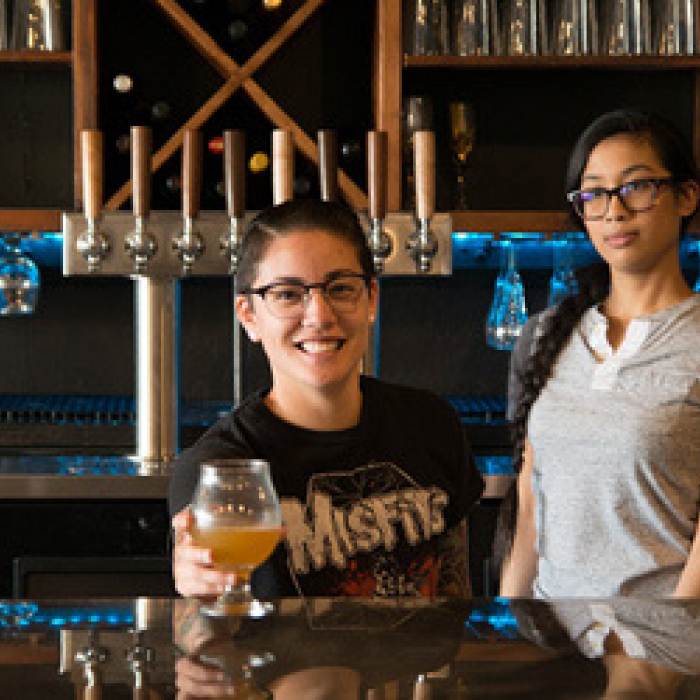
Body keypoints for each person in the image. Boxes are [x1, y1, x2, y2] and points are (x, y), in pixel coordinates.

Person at [170, 198, 483, 600]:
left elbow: (455, 594)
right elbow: (201, 627)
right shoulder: (220, 469)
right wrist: (193, 584)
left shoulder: (431, 424)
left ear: (370, 299)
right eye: (287, 294)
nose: (318, 315)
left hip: (415, 666)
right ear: (249, 316)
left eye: (340, 288)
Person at [499, 109, 700, 598]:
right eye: (594, 193)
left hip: (665, 656)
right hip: (558, 652)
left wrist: (662, 656)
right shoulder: (547, 335)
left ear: (687, 196)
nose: (614, 210)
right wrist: (511, 619)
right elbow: (530, 507)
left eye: (636, 187)